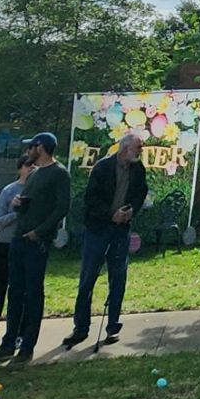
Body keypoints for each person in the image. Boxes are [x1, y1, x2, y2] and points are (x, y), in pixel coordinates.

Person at [0, 131, 71, 365]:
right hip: (18, 238)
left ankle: (27, 346)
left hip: (37, 241)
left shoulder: (59, 174)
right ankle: (8, 343)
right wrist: (17, 204)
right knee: (15, 291)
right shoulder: (34, 175)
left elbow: (61, 208)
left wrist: (40, 231)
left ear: (41, 147)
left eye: (31, 147)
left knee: (33, 293)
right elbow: (27, 202)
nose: (28, 152)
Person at [62, 132, 148, 350]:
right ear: (124, 148)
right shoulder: (102, 168)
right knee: (88, 277)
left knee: (118, 278)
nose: (140, 151)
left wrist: (130, 211)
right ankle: (81, 327)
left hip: (121, 230)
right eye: (138, 148)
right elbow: (90, 198)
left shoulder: (138, 170)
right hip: (98, 229)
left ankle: (113, 327)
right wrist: (111, 214)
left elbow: (140, 194)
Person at [0, 147, 33, 350]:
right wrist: (16, 212)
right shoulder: (9, 190)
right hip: (4, 244)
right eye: (28, 166)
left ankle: (19, 333)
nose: (32, 169)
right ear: (20, 169)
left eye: (35, 166)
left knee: (22, 292)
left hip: (27, 244)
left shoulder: (38, 190)